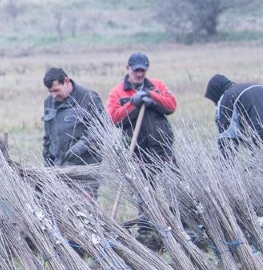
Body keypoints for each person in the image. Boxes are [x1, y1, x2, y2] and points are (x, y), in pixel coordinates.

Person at [106, 52, 177, 174]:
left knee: (175, 188)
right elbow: (114, 119)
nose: (139, 74)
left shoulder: (157, 85)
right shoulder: (116, 92)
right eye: (136, 70)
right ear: (128, 69)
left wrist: (152, 96)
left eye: (142, 71)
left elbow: (172, 105)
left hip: (162, 148)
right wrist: (133, 103)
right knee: (143, 191)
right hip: (137, 153)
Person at [41, 67, 106, 198]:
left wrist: (78, 149)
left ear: (66, 81)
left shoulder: (88, 98)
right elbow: (47, 137)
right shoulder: (49, 102)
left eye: (56, 90)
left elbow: (100, 131)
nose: (53, 95)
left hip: (84, 169)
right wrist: (47, 164)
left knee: (85, 210)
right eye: (50, 91)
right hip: (58, 167)